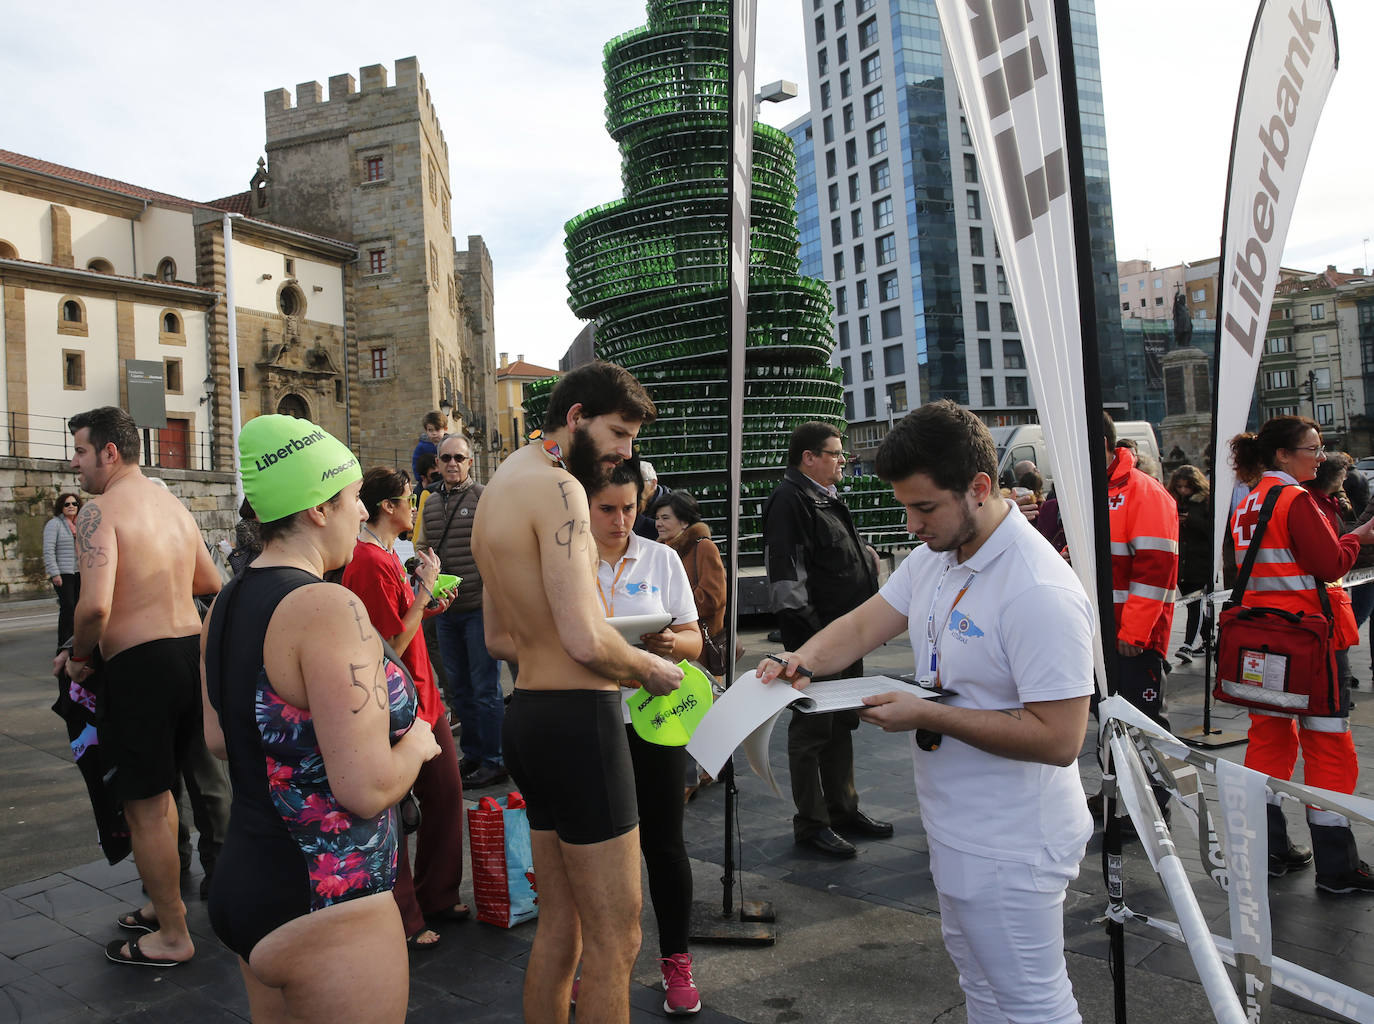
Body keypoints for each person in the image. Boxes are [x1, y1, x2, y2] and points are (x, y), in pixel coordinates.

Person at [759, 400, 1093, 1024]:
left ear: (979, 488)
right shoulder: (939, 556)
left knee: (1032, 1004)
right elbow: (865, 623)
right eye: (905, 507)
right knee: (984, 990)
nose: (912, 525)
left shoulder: (1037, 590)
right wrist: (800, 660)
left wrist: (927, 715)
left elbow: (1060, 738)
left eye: (924, 507)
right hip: (957, 822)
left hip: (1014, 835)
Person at [202, 415, 440, 1020]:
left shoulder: (226, 601)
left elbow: (220, 738)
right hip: (330, 898)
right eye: (354, 498)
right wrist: (416, 742)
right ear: (316, 508)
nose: (363, 514)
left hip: (248, 881)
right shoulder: (327, 607)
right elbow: (363, 789)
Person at [471, 360, 683, 1024]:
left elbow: (501, 638)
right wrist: (651, 670)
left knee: (560, 928)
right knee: (618, 939)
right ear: (576, 417)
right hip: (580, 723)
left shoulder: (501, 484)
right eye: (619, 433)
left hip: (529, 717)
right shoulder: (561, 489)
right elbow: (586, 640)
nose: (626, 452)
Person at [51, 407, 224, 968]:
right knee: (174, 790)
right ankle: (163, 906)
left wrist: (78, 658)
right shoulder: (171, 502)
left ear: (109, 452)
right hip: (186, 653)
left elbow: (94, 605)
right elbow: (209, 582)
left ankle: (173, 934)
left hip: (140, 667)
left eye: (79, 451)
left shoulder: (100, 510)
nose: (73, 464)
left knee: (147, 805)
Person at [1229, 416, 1374, 893]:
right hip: (1308, 643)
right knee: (1328, 744)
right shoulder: (1295, 499)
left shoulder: (1247, 500)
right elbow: (1330, 562)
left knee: (1267, 741)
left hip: (1261, 640)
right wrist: (1361, 535)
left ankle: (1270, 851)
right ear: (1283, 457)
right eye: (1312, 447)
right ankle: (1337, 868)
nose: (1321, 454)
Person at [587, 462, 705, 1016]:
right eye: (607, 508)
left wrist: (668, 644)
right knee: (593, 850)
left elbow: (694, 640)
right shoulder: (568, 561)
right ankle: (596, 960)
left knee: (665, 842)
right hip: (588, 718)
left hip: (653, 719)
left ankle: (676, 959)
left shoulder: (660, 557)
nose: (620, 520)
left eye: (630, 508)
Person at [341, 467, 467, 951]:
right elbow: (390, 641)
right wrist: (424, 592)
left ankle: (436, 894)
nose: (413, 505)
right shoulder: (369, 561)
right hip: (401, 702)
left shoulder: (389, 553)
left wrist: (430, 601)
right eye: (408, 498)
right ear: (388, 506)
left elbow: (401, 622)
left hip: (423, 695)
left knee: (446, 796)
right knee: (397, 814)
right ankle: (405, 913)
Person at [762, 421, 890, 858]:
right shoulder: (790, 500)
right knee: (812, 730)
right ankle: (812, 823)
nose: (843, 460)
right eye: (835, 453)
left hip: (843, 638)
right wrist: (811, 647)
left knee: (840, 724)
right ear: (808, 458)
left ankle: (843, 809)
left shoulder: (824, 497)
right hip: (818, 642)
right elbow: (787, 580)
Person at [1099, 414, 1177, 803]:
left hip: (1132, 640)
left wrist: (1134, 634)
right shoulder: (1092, 489)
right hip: (1099, 634)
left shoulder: (1143, 492)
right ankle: (1118, 796)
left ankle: (1153, 801)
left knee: (1142, 723)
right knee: (1109, 720)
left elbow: (1156, 569)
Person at [421, 432, 505, 788]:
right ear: (436, 464)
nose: (452, 463)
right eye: (446, 458)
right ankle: (472, 754)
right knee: (458, 688)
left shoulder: (484, 496)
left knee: (485, 688)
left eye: (459, 457)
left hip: (478, 607)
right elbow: (425, 543)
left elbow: (498, 545)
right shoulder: (431, 501)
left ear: (470, 462)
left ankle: (494, 758)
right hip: (445, 610)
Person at [655, 490, 727, 802]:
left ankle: (699, 773)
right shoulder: (660, 550)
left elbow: (713, 597)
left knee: (698, 710)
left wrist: (672, 607)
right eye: (656, 517)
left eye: (665, 518)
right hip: (670, 643)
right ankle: (706, 769)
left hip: (697, 643)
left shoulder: (702, 548)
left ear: (684, 521)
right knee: (688, 711)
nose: (658, 523)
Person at [1168, 465, 1210, 662]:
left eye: (1187, 487)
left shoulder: (1205, 501)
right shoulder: (1172, 500)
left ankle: (1187, 645)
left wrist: (1190, 520)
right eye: (1180, 487)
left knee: (1195, 604)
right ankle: (1208, 640)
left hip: (1199, 561)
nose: (1183, 491)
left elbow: (1211, 530)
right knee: (1193, 604)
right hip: (1182, 562)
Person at [43, 491, 81, 650]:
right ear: (61, 507)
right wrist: (55, 573)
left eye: (74, 504)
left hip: (80, 572)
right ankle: (64, 644)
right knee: (68, 607)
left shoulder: (81, 524)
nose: (71, 506)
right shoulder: (54, 524)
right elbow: (48, 550)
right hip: (64, 573)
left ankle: (77, 641)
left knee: (79, 608)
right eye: (67, 504)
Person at [632, 459, 671, 539]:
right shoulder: (632, 502)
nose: (634, 486)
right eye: (631, 481)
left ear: (653, 483)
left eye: (639, 482)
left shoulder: (673, 505)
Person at [410, 410, 447, 483]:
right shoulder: (422, 446)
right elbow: (416, 464)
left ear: (445, 429)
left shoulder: (449, 444)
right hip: (427, 480)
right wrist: (421, 479)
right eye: (430, 430)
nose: (434, 433)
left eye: (437, 429)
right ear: (426, 431)